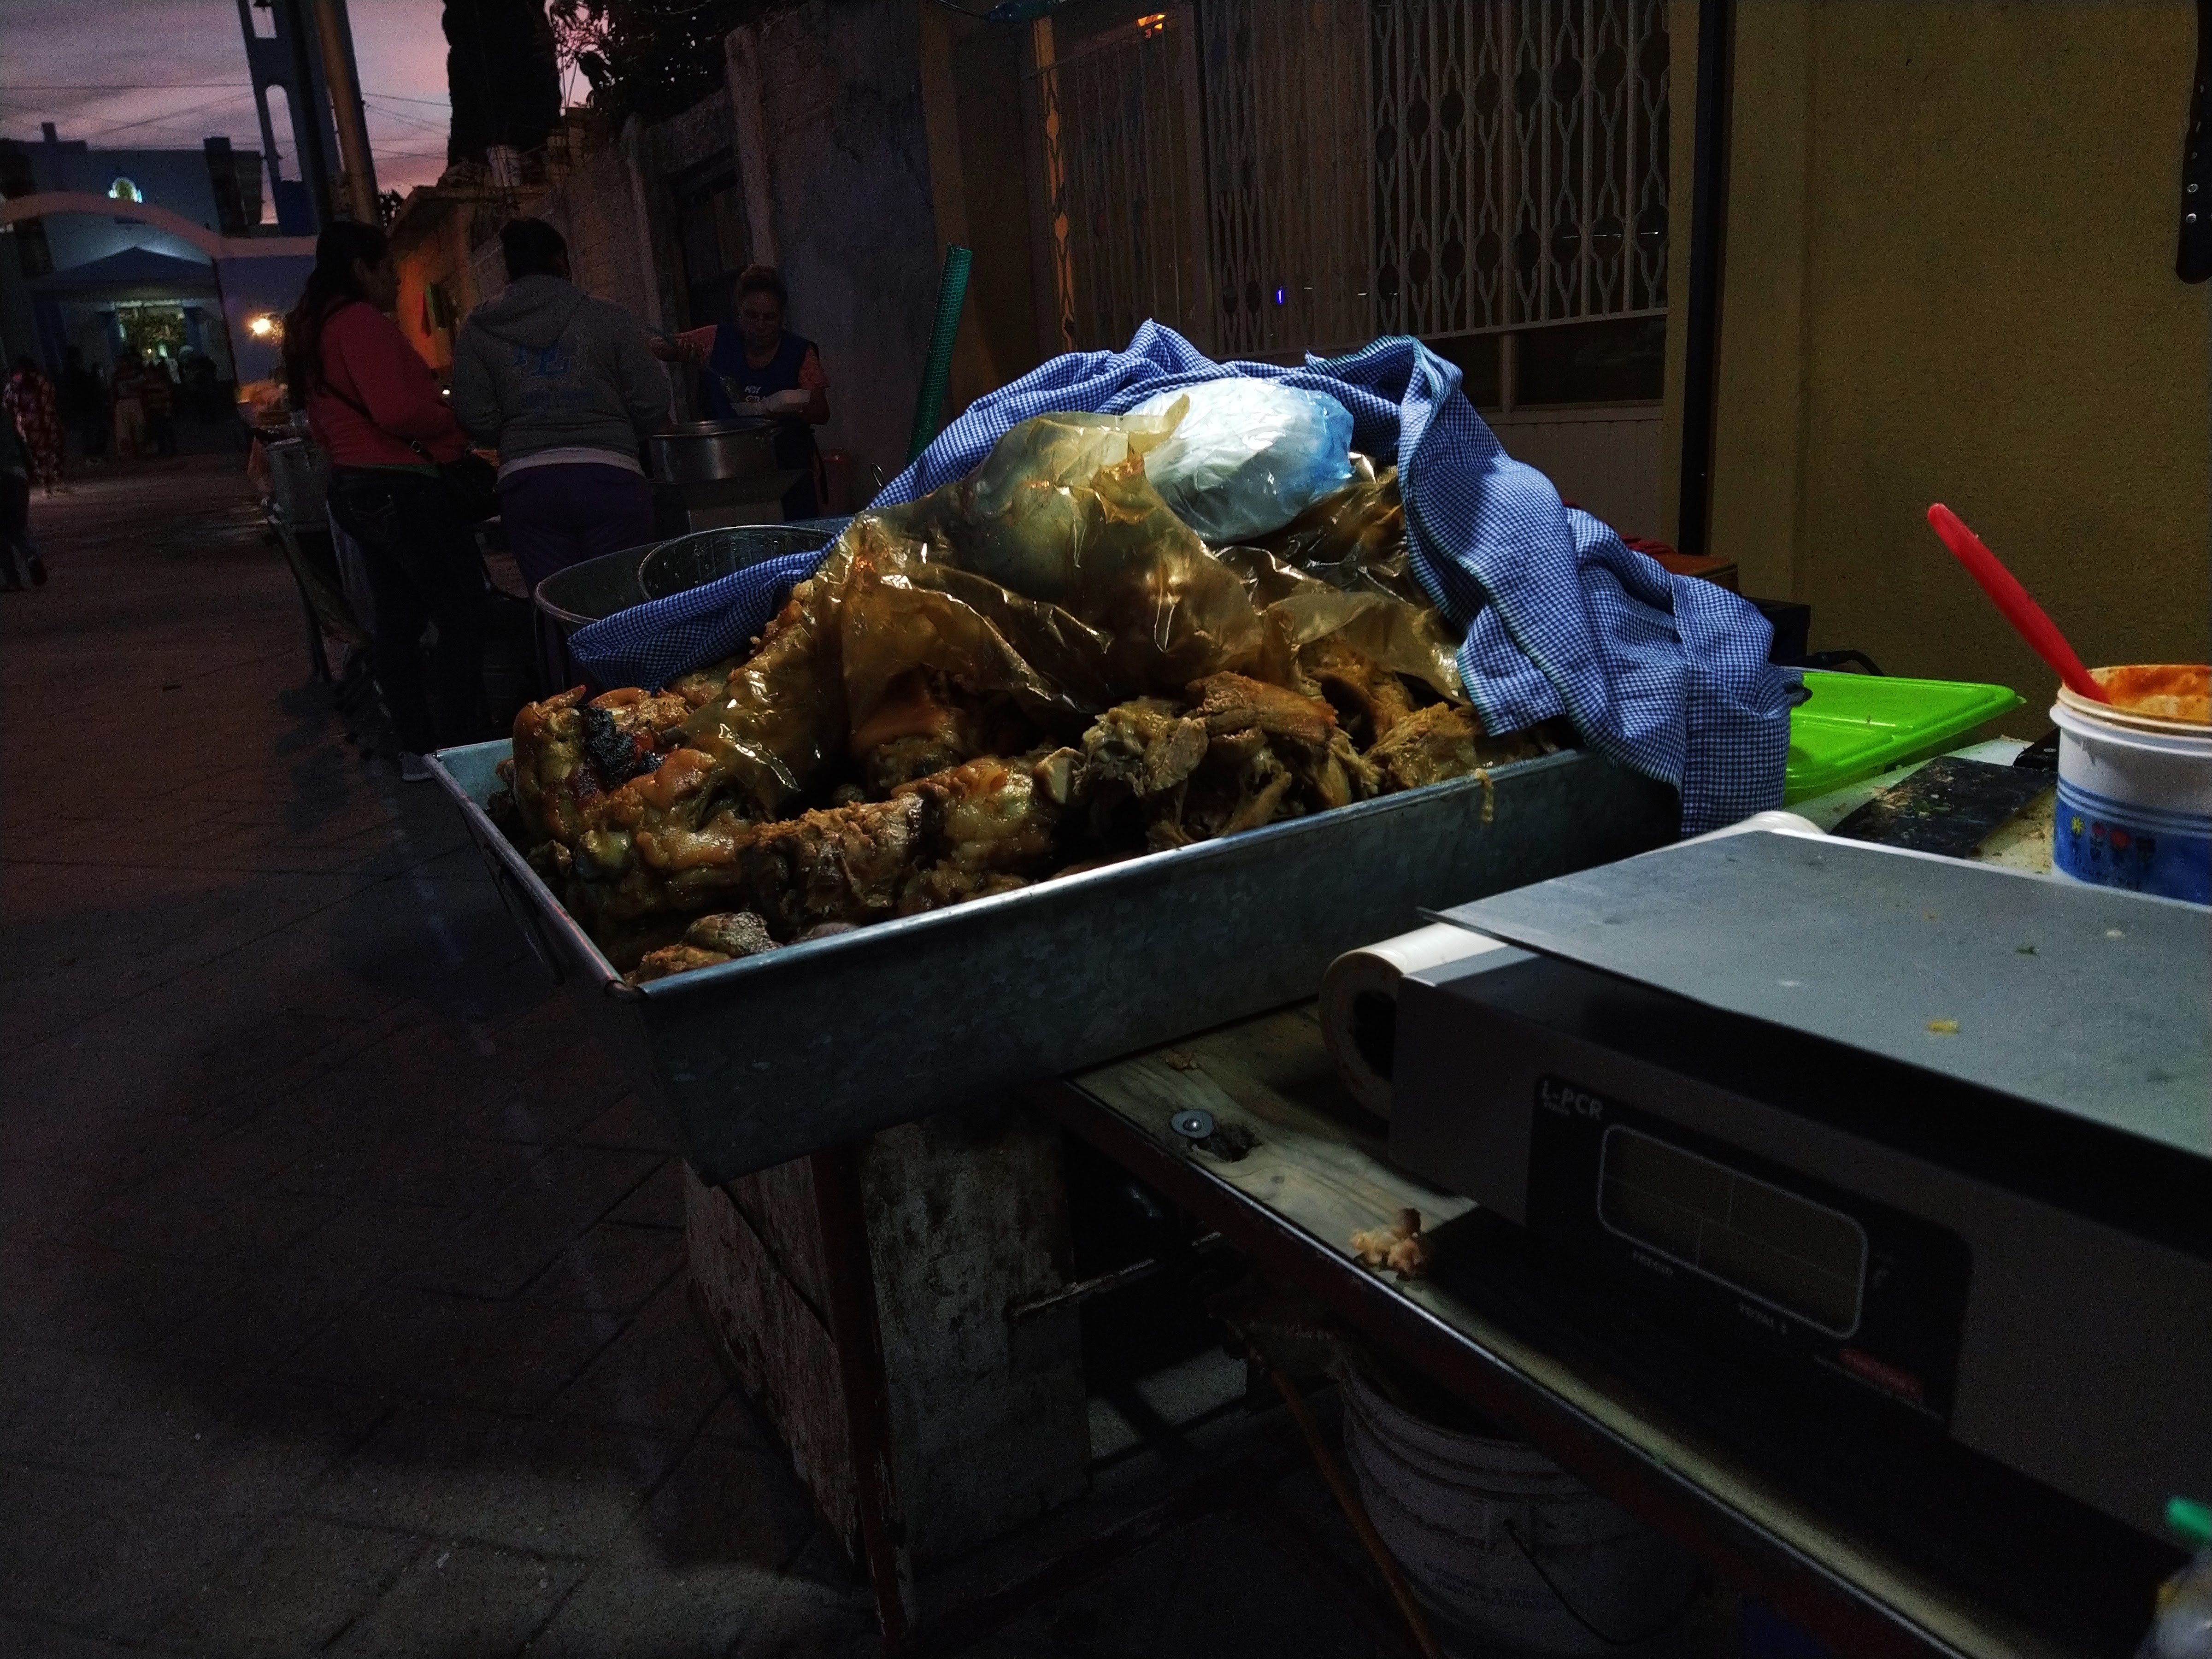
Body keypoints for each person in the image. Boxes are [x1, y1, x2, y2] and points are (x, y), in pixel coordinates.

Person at [285, 218, 484, 782]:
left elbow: (322, 424)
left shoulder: (312, 329)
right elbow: (397, 411)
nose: (395, 279)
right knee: (461, 612)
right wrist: (450, 423)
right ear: (361, 269)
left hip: (356, 485)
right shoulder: (359, 324)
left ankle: (419, 749)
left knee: (397, 620)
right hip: (402, 486)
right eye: (388, 268)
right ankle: (460, 744)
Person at [451, 218, 670, 601]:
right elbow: (652, 400)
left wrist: (515, 434)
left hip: (528, 488)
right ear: (562, 261)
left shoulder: (479, 328)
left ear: (509, 268)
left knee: (558, 611)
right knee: (620, 609)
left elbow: (474, 415)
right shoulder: (610, 317)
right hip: (611, 483)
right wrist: (616, 433)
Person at [661, 265, 829, 519]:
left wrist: (792, 405)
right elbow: (656, 346)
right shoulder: (717, 339)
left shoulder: (799, 352)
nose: (760, 325)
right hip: (728, 473)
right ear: (739, 312)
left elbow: (822, 411)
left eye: (769, 318)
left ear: (781, 316)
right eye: (752, 316)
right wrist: (680, 350)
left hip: (789, 473)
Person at [0, 405, 49, 590]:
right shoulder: (5, 415)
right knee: (17, 526)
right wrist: (30, 469)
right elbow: (21, 442)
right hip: (17, 474)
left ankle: (12, 579)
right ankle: (31, 557)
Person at [4, 358, 65, 493]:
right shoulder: (42, 379)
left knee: (39, 455)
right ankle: (57, 482)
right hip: (47, 422)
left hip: (29, 425)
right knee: (54, 452)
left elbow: (8, 404)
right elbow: (52, 398)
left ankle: (47, 486)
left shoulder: (14, 383)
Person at [139, 354, 178, 457]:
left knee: (167, 430)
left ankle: (172, 449)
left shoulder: (162, 384)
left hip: (162, 409)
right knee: (158, 431)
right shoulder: (146, 385)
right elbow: (145, 398)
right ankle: (163, 449)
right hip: (153, 410)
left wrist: (168, 410)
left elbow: (167, 397)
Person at [110, 352, 148, 458]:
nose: (121, 364)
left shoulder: (137, 374)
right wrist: (114, 405)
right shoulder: (116, 376)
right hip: (122, 403)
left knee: (139, 426)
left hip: (135, 401)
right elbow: (114, 392)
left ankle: (141, 450)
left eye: (123, 362)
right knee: (123, 429)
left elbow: (143, 388)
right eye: (120, 362)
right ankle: (127, 452)